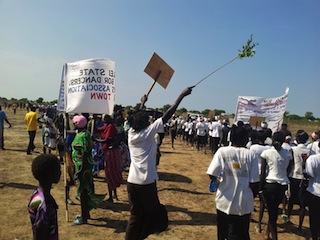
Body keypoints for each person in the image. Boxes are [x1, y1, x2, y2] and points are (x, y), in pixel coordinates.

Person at [125, 87, 192, 240]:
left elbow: (135, 118)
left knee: (135, 215)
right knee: (156, 214)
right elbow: (168, 114)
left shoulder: (131, 133)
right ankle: (143, 234)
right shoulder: (149, 133)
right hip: (146, 183)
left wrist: (142, 103)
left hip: (132, 182)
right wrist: (181, 96)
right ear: (144, 121)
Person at [206, 124, 260, 240]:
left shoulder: (222, 152)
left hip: (224, 201)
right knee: (241, 233)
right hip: (243, 203)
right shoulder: (251, 155)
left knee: (223, 233)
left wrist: (220, 181)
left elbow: (212, 173)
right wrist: (251, 194)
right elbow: (255, 182)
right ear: (244, 139)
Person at [71, 115, 105, 225]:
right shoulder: (82, 133)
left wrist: (80, 170)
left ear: (77, 124)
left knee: (83, 192)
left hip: (83, 168)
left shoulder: (83, 136)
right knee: (84, 191)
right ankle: (85, 213)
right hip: (82, 166)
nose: (72, 124)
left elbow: (85, 153)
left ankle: (84, 218)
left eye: (74, 122)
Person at [260, 132, 292, 240]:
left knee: (272, 213)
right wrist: (283, 176)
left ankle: (274, 237)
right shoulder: (288, 154)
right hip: (282, 185)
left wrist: (260, 188)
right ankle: (267, 233)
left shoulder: (266, 153)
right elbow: (289, 170)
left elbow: (263, 173)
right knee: (273, 210)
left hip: (270, 184)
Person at [28, 154, 61, 240]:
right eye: (58, 170)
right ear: (49, 175)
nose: (60, 172)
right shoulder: (45, 204)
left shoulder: (37, 194)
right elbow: (40, 231)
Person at [287, 130, 310, 231]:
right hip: (304, 177)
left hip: (294, 176)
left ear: (297, 139)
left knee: (291, 198)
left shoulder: (293, 149)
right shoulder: (310, 150)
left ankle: (288, 216)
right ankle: (300, 224)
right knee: (303, 202)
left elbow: (290, 163)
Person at [97, 114, 123, 202]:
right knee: (111, 173)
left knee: (110, 172)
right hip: (110, 152)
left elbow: (107, 140)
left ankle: (111, 196)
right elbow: (97, 130)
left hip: (111, 153)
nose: (104, 119)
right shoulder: (107, 126)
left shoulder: (111, 127)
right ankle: (114, 194)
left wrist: (96, 140)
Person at [304, 146, 320, 240]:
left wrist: (304, 164)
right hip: (314, 191)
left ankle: (314, 237)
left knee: (314, 218)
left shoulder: (313, 159)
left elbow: (309, 174)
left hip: (314, 191)